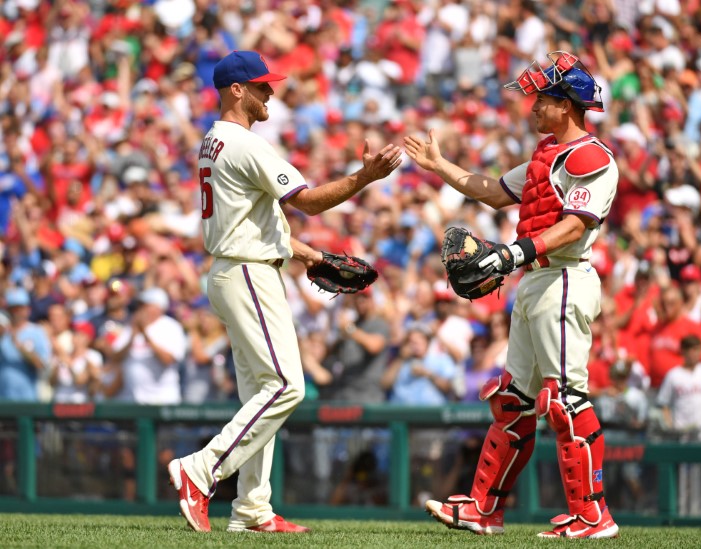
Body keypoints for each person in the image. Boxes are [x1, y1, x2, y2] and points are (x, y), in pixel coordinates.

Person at [167, 51, 401, 534]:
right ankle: (202, 469)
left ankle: (251, 509)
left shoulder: (213, 140)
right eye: (261, 86)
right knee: (286, 387)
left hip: (236, 268)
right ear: (237, 90)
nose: (271, 92)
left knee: (261, 394)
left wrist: (310, 257)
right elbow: (310, 203)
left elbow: (252, 222)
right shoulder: (245, 144)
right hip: (250, 274)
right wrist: (365, 178)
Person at [405, 50, 619, 538]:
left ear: (566, 104)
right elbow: (493, 190)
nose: (533, 108)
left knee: (564, 400)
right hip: (536, 280)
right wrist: (440, 166)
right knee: (513, 401)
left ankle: (593, 515)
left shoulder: (592, 156)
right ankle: (484, 510)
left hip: (565, 278)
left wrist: (513, 253)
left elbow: (574, 226)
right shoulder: (547, 155)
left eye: (541, 99)